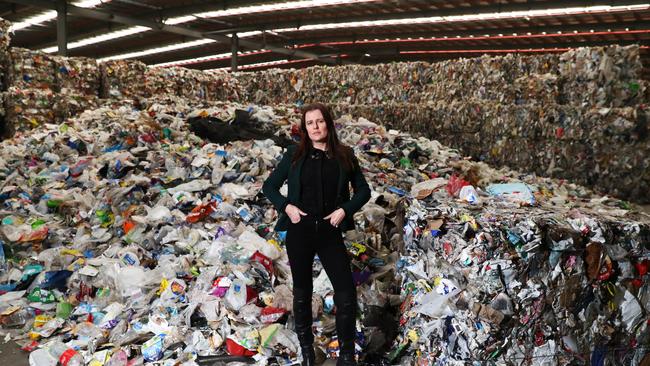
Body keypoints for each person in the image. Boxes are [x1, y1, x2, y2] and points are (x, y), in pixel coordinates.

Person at [263, 103, 371, 366]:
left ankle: (347, 356)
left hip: (329, 231)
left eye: (319, 121)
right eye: (310, 123)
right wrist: (287, 207)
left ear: (328, 124)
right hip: (300, 231)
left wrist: (344, 211)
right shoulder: (294, 155)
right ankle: (308, 353)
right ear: (304, 127)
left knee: (346, 293)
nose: (315, 127)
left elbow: (363, 191)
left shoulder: (345, 155)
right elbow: (270, 186)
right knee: (302, 292)